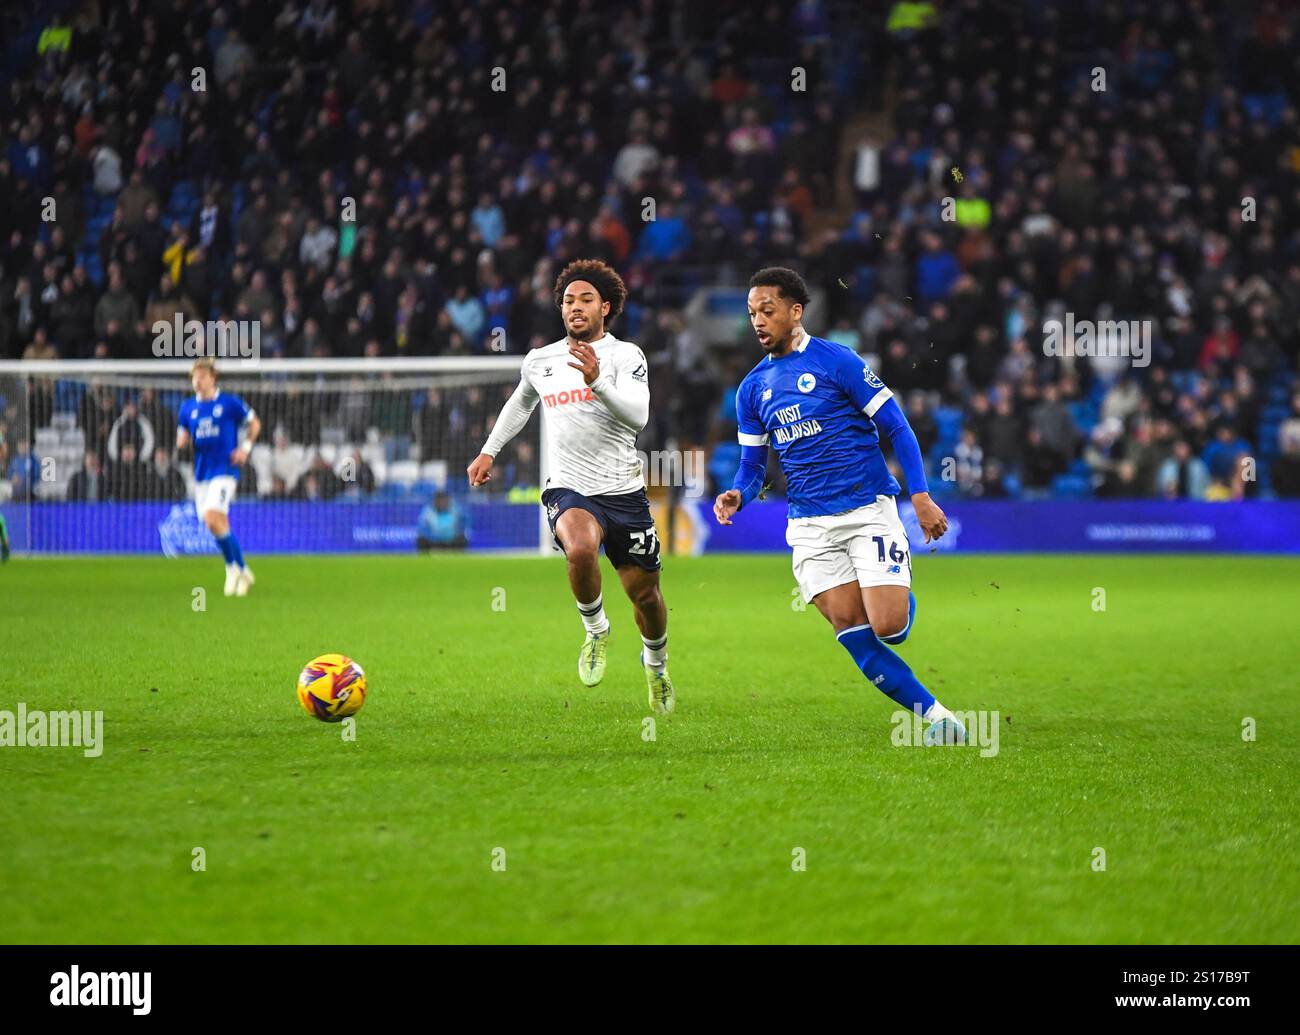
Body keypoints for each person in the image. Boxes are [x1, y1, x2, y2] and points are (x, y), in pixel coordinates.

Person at [714, 267, 965, 743]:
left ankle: (899, 593)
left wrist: (921, 495)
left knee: (889, 626)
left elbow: (897, 427)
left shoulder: (837, 361)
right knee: (850, 627)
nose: (758, 321)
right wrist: (738, 494)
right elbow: (752, 467)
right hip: (809, 526)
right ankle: (938, 719)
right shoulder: (751, 389)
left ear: (795, 310)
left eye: (767, 310)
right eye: (751, 314)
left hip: (867, 509)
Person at [467, 259, 675, 714]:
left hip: (624, 493)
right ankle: (596, 630)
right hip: (568, 486)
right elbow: (519, 405)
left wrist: (597, 380)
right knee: (580, 548)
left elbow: (638, 417)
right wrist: (490, 450)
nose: (575, 307)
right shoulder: (540, 360)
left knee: (646, 597)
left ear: (605, 306)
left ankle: (656, 666)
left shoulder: (626, 356)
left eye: (584, 300)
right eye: (567, 301)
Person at [175, 358, 261, 596]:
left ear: (212, 378)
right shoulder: (187, 408)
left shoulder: (229, 403)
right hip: (202, 472)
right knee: (216, 524)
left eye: (201, 377)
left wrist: (245, 449)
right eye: (194, 377)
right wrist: (181, 442)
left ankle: (232, 568)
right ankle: (241, 570)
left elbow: (255, 424)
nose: (197, 382)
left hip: (225, 470)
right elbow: (181, 438)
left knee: (214, 519)